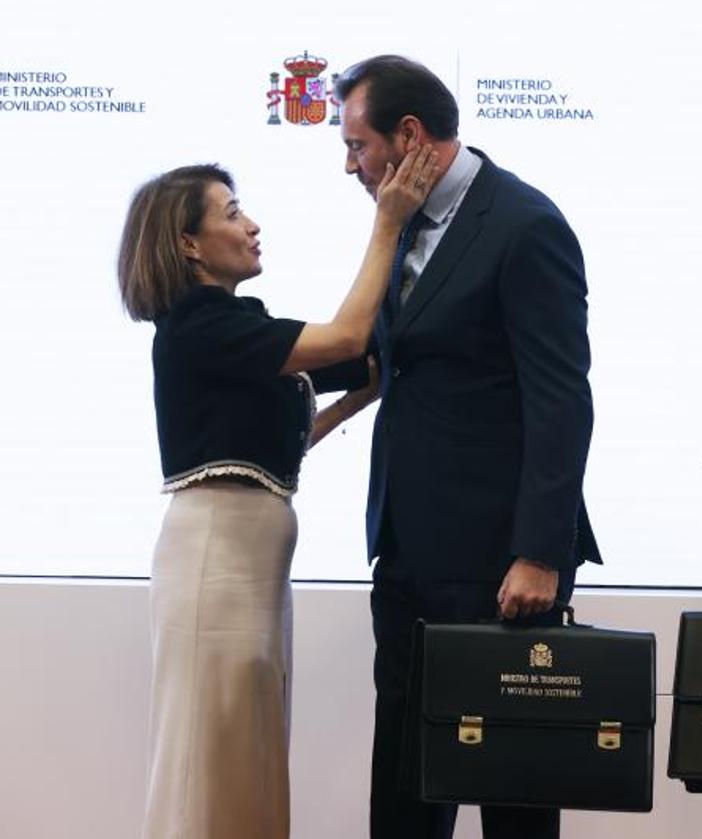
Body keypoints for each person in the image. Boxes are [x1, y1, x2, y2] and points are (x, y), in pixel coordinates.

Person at [117, 150, 436, 839]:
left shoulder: (231, 329)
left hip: (248, 573)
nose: (252, 225)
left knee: (245, 754)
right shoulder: (200, 323)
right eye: (233, 213)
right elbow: (348, 336)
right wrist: (388, 224)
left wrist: (361, 393)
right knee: (210, 759)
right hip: (216, 568)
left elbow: (290, 434)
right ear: (188, 244)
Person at [332, 54, 600, 839]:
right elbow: (385, 353)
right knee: (405, 786)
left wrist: (540, 551)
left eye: (357, 147)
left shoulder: (525, 223)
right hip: (408, 554)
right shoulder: (400, 218)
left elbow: (561, 397)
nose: (351, 166)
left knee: (511, 789)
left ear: (409, 135)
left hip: (499, 560)